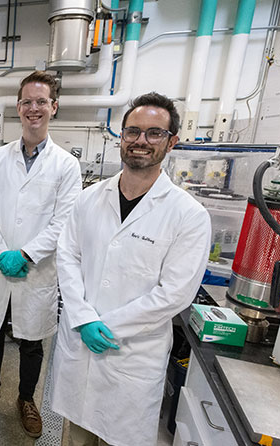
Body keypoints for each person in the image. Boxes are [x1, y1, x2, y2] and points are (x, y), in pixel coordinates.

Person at [49, 92, 211, 446]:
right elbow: (67, 255)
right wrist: (83, 317)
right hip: (80, 341)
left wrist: (107, 326)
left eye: (154, 133)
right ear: (120, 137)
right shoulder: (89, 198)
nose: (141, 141)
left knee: (119, 436)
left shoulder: (188, 215)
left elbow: (175, 294)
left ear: (172, 143)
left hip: (133, 356)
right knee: (76, 436)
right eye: (133, 132)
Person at [0, 71, 82, 438]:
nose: (34, 108)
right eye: (27, 102)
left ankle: (27, 398)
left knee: (32, 341)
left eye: (41, 102)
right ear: (18, 108)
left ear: (53, 107)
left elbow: (65, 222)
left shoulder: (67, 165)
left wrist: (26, 255)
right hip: (0, 265)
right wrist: (2, 254)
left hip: (37, 270)